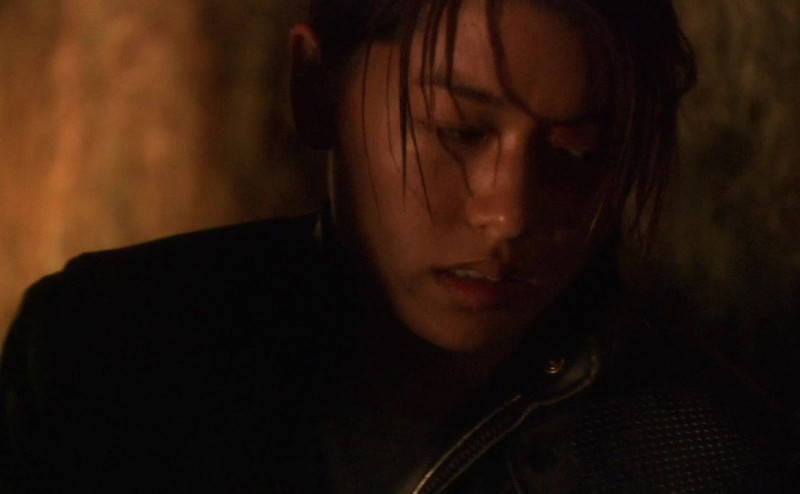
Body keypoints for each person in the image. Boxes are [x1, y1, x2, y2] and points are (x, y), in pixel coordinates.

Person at [1, 0, 797, 491]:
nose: (509, 215)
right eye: (459, 131)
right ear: (317, 88)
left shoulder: (704, 455)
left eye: (578, 151)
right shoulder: (107, 354)